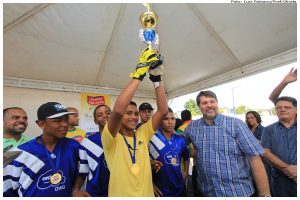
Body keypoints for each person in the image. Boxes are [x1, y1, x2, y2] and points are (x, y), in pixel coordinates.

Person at [101, 47, 168, 196]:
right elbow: (118, 110)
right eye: (129, 113)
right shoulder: (110, 138)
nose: (133, 117)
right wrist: (139, 74)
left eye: (136, 113)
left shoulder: (142, 134)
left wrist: (157, 80)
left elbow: (163, 111)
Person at [183, 90, 270, 197]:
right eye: (204, 103)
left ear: (217, 103)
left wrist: (265, 194)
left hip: (237, 192)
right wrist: (190, 152)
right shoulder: (192, 127)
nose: (209, 105)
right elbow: (178, 145)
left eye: (212, 101)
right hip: (207, 192)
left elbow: (254, 158)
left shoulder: (235, 124)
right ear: (199, 106)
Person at [3, 102, 88, 197]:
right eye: (57, 120)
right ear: (42, 124)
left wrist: (76, 189)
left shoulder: (74, 146)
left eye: (66, 120)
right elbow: (7, 189)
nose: (65, 124)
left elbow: (83, 170)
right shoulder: (21, 152)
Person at [149, 108, 189, 197]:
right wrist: (151, 184)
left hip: (180, 188)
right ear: (159, 121)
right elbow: (142, 164)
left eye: (172, 118)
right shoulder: (151, 139)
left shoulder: (180, 139)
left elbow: (186, 157)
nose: (170, 122)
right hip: (161, 191)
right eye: (166, 119)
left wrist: (185, 171)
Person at [261, 96, 297, 197]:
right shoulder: (268, 130)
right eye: (278, 107)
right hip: (280, 180)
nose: (282, 109)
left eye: (287, 107)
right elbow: (265, 152)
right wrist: (287, 168)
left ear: (296, 109)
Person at [72, 104, 111, 197]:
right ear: (95, 121)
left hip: (121, 191)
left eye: (108, 113)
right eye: (99, 115)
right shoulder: (86, 143)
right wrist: (76, 189)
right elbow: (83, 170)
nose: (105, 116)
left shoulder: (123, 139)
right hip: (95, 193)